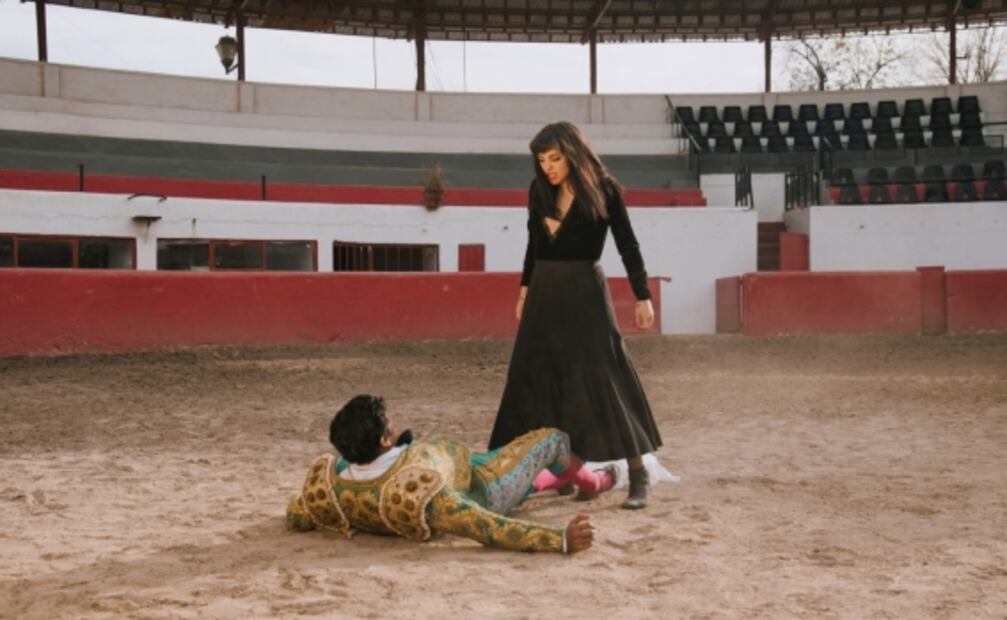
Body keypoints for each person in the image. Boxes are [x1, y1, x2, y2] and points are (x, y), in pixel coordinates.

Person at [488, 121, 663, 510]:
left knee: (604, 376)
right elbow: (533, 245)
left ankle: (638, 474)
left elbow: (627, 243)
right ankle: (560, 471)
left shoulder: (605, 190)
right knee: (535, 379)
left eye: (554, 158)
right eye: (541, 160)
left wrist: (642, 295)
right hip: (544, 294)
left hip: (586, 293)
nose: (547, 167)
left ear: (572, 153)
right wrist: (524, 290)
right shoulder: (538, 191)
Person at [286, 394, 605, 554]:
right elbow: (484, 525)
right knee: (552, 440)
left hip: (462, 470)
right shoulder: (421, 493)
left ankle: (554, 482)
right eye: (388, 422)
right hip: (484, 485)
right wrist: (560, 540)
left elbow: (297, 515)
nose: (393, 424)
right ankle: (594, 482)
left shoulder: (336, 484)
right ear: (383, 440)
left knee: (526, 479)